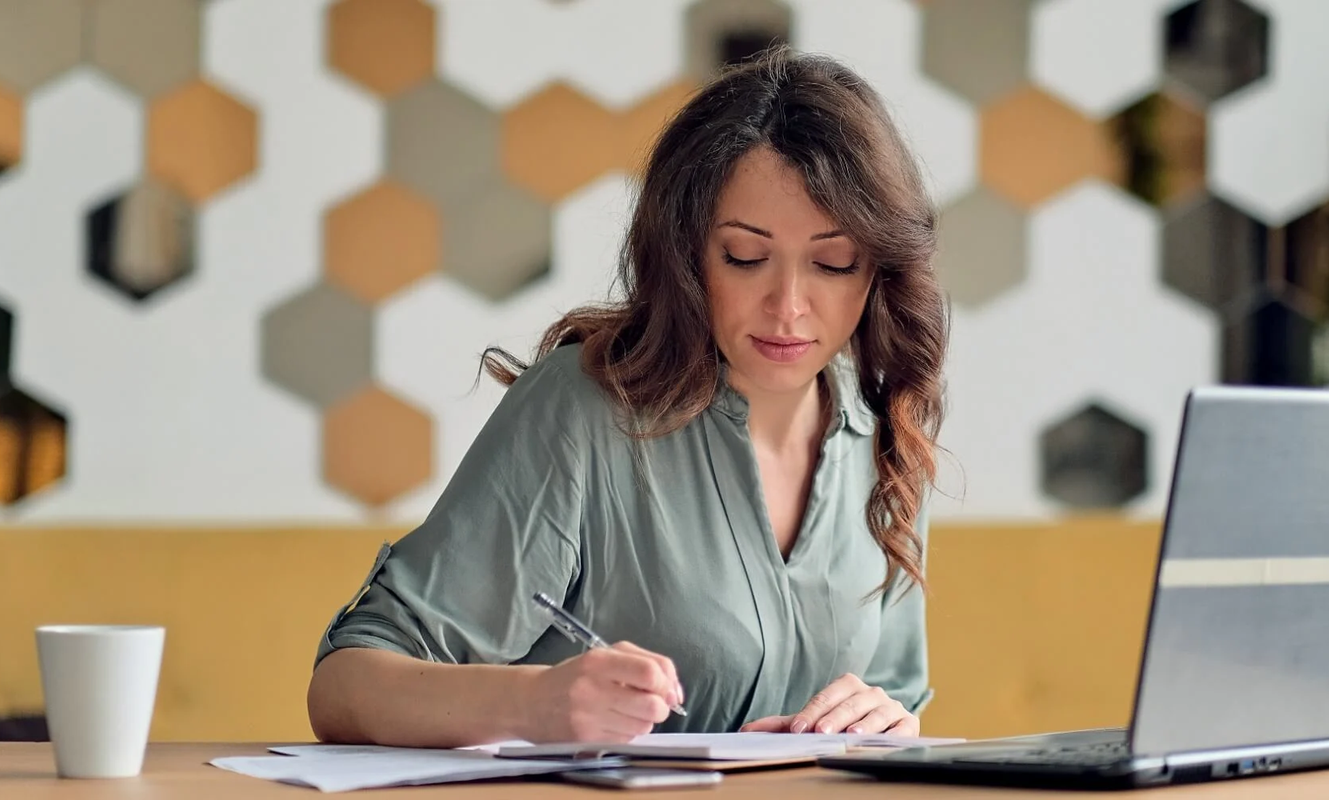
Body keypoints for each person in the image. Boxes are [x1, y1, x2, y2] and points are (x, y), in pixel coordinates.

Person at [306, 45, 949, 749]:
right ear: (687, 254)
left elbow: (893, 697)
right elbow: (345, 687)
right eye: (744, 256)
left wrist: (887, 721)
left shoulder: (885, 435)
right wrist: (534, 704)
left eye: (833, 262)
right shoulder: (582, 413)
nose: (788, 306)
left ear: (878, 266)